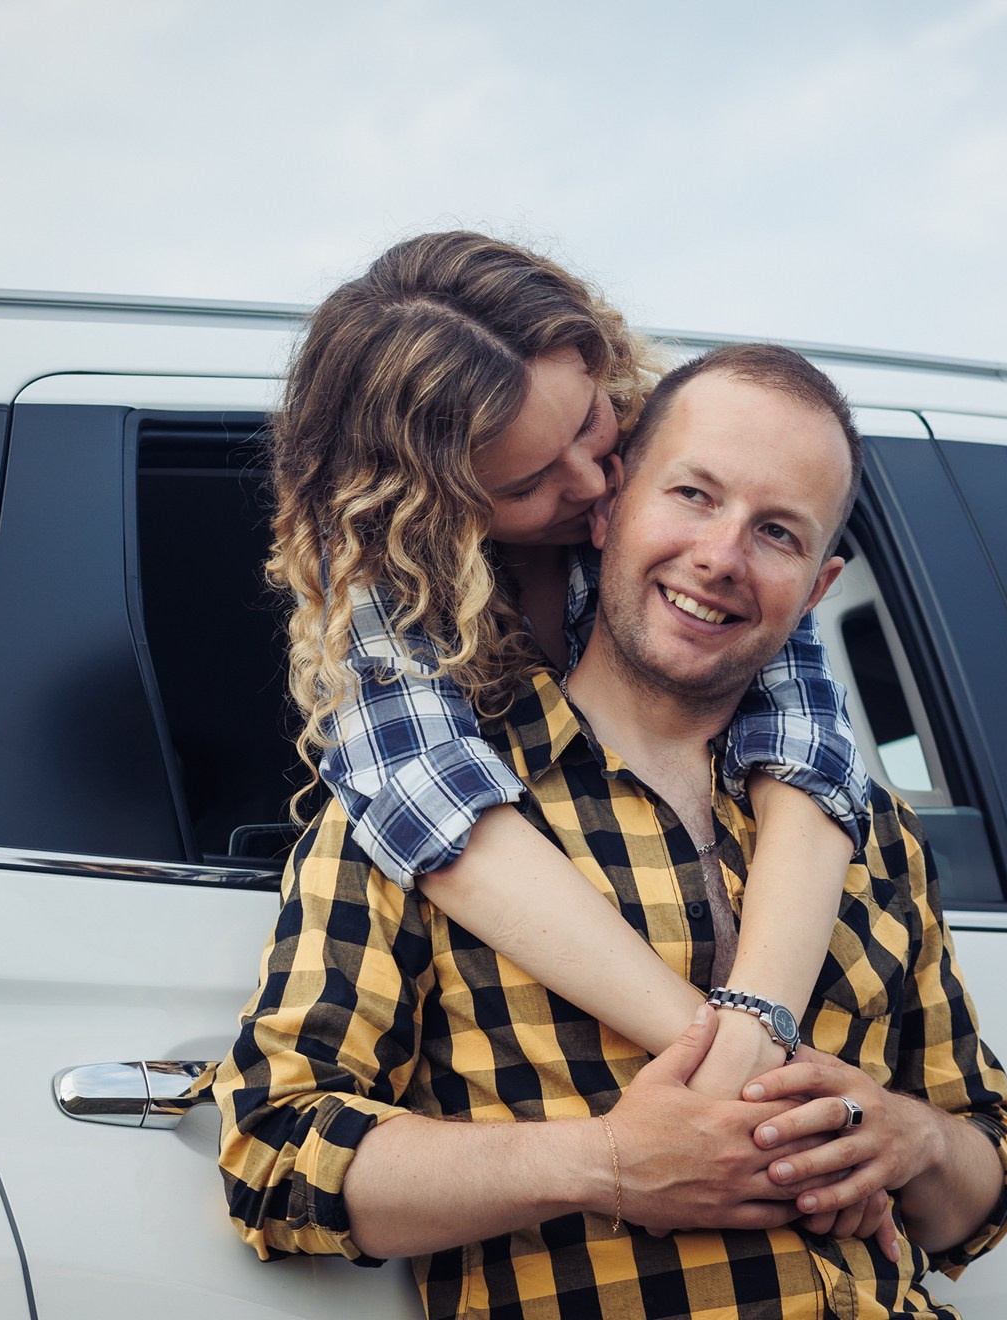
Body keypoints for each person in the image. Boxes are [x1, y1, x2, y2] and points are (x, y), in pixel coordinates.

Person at [217, 344, 1007, 1319]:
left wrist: (914, 1139)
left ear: (818, 589)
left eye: (777, 532)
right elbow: (274, 1158)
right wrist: (599, 1165)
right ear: (606, 510)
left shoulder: (868, 828)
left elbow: (978, 1194)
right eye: (692, 495)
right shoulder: (412, 813)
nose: (721, 557)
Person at [265, 232, 871, 1100]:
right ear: (431, 502)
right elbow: (439, 814)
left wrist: (758, 1022)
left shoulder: (695, 505)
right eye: (529, 483)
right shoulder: (384, 585)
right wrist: (732, 1075)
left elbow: (806, 738)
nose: (595, 483)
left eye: (589, 421)